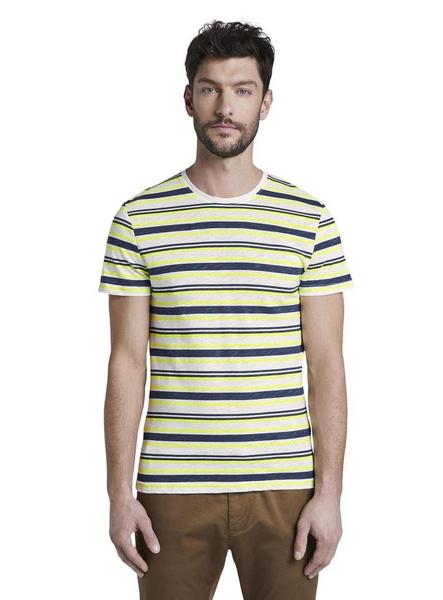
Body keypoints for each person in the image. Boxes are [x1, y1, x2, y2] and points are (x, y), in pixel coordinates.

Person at [98, 19, 354, 600]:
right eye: (211, 89)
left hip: (286, 489)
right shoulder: (138, 219)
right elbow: (126, 361)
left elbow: (327, 365)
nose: (225, 107)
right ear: (189, 98)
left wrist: (330, 494)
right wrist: (118, 495)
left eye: (242, 90)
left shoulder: (309, 220)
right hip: (171, 489)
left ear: (265, 102)